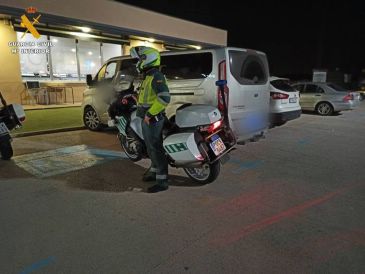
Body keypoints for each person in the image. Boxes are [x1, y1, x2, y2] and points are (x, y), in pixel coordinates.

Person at [130, 46, 171, 193]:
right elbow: (149, 97)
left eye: (141, 59)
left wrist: (149, 114)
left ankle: (162, 181)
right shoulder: (148, 76)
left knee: (156, 148)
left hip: (153, 119)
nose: (138, 62)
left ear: (148, 59)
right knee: (150, 147)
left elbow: (164, 98)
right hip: (147, 118)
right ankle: (154, 171)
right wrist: (137, 99)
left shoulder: (156, 76)